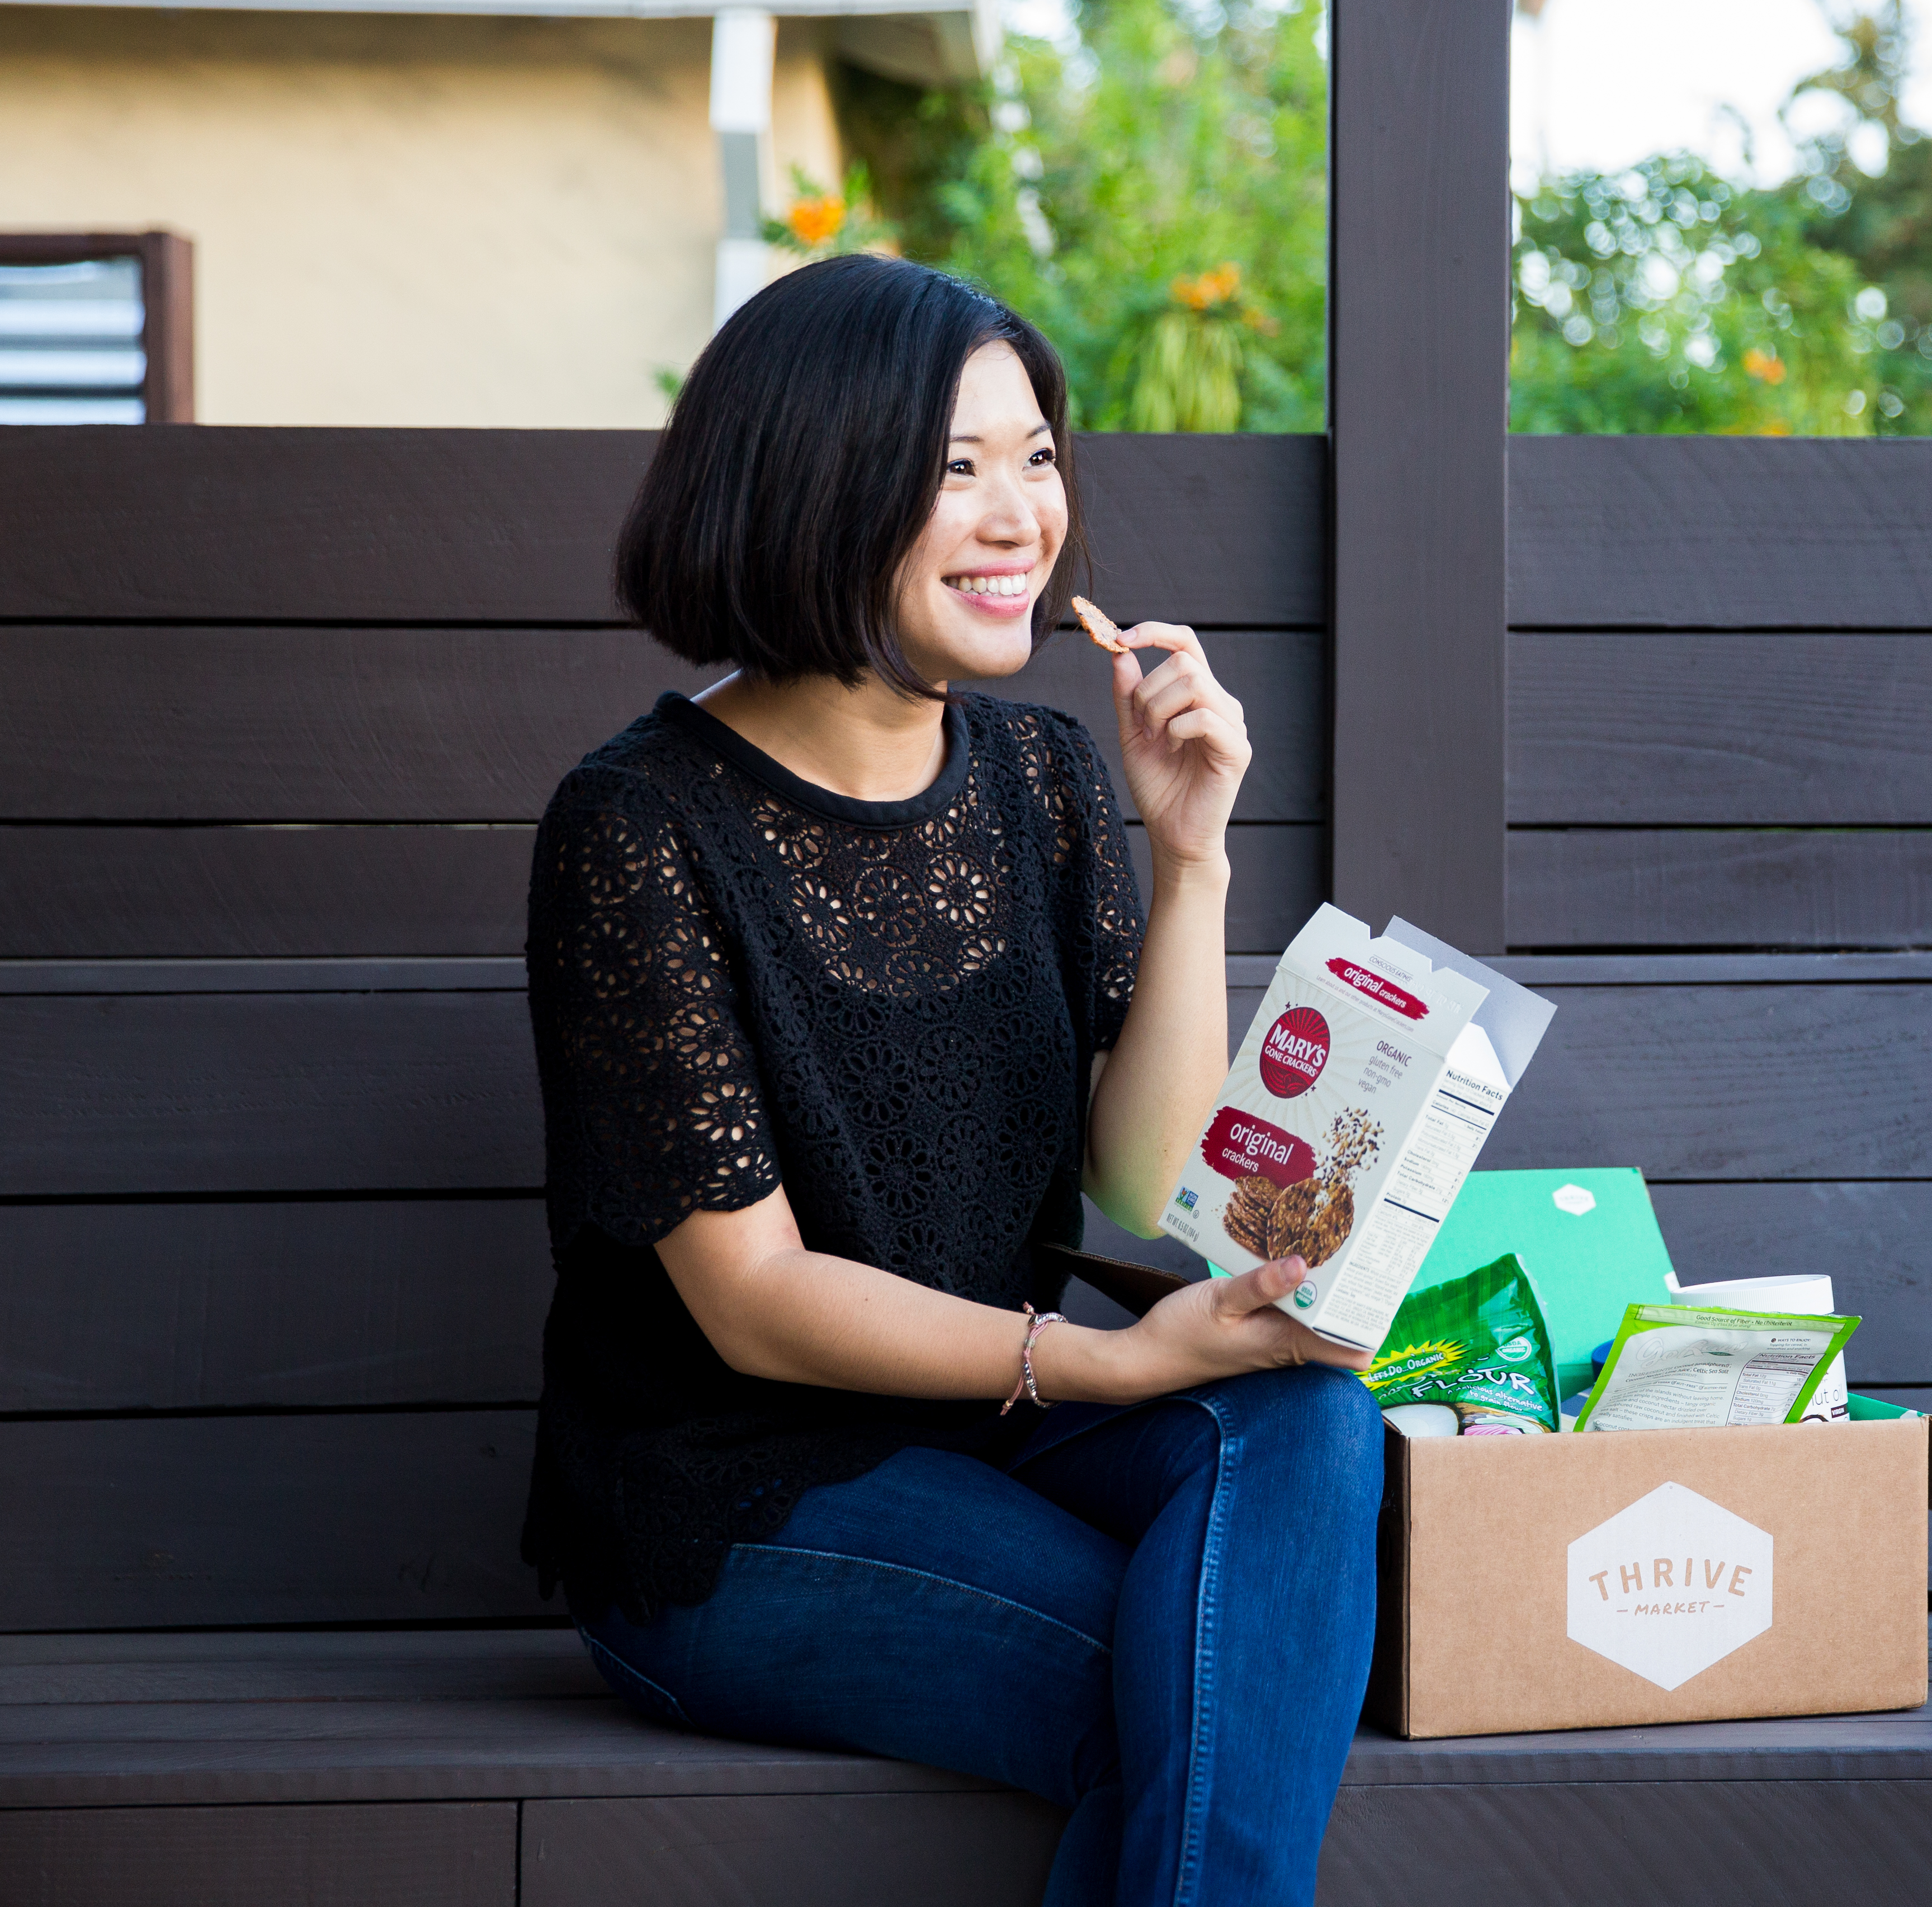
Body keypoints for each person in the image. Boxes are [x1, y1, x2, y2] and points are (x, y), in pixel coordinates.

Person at [519, 254, 1380, 1907]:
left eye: (1037, 456)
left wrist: (1190, 856)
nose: (1019, 515)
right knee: (1204, 1708)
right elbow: (754, 1300)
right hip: (732, 1502)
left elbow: (1141, 1184)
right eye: (954, 468)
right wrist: (1115, 1373)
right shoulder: (636, 829)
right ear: (810, 486)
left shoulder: (1048, 779)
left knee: (1311, 1423)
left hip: (998, 1430)